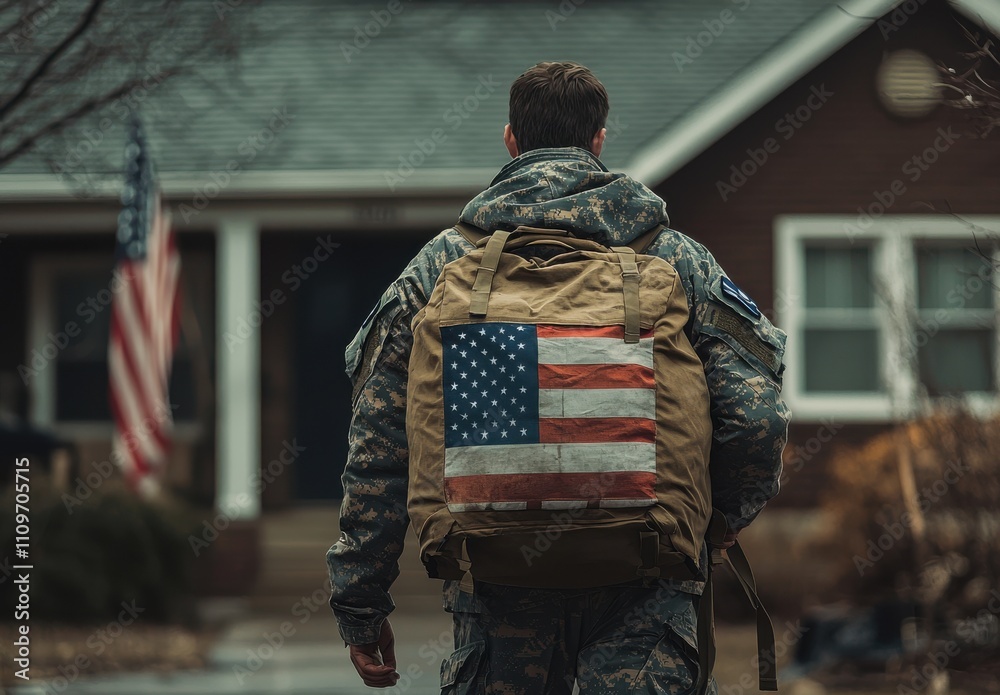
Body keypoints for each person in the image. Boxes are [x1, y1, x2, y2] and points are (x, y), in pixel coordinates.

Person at [328, 61, 789, 694]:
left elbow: (378, 443)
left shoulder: (439, 265)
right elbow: (755, 416)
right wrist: (720, 517)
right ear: (599, 140)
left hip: (496, 585)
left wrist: (360, 602)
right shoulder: (673, 256)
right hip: (646, 583)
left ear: (511, 139)